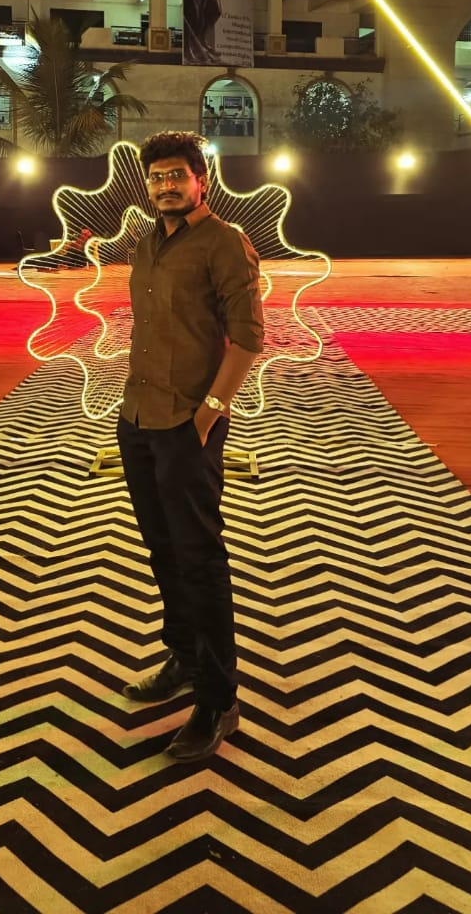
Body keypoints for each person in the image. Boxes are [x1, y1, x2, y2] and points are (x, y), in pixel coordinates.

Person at [117, 130, 264, 762]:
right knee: (161, 547)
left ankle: (218, 699)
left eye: (177, 175)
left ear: (201, 180)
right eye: (156, 177)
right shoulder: (146, 243)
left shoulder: (225, 243)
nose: (165, 186)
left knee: (199, 558)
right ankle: (182, 655)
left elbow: (249, 337)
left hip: (186, 423)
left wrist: (210, 414)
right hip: (138, 418)